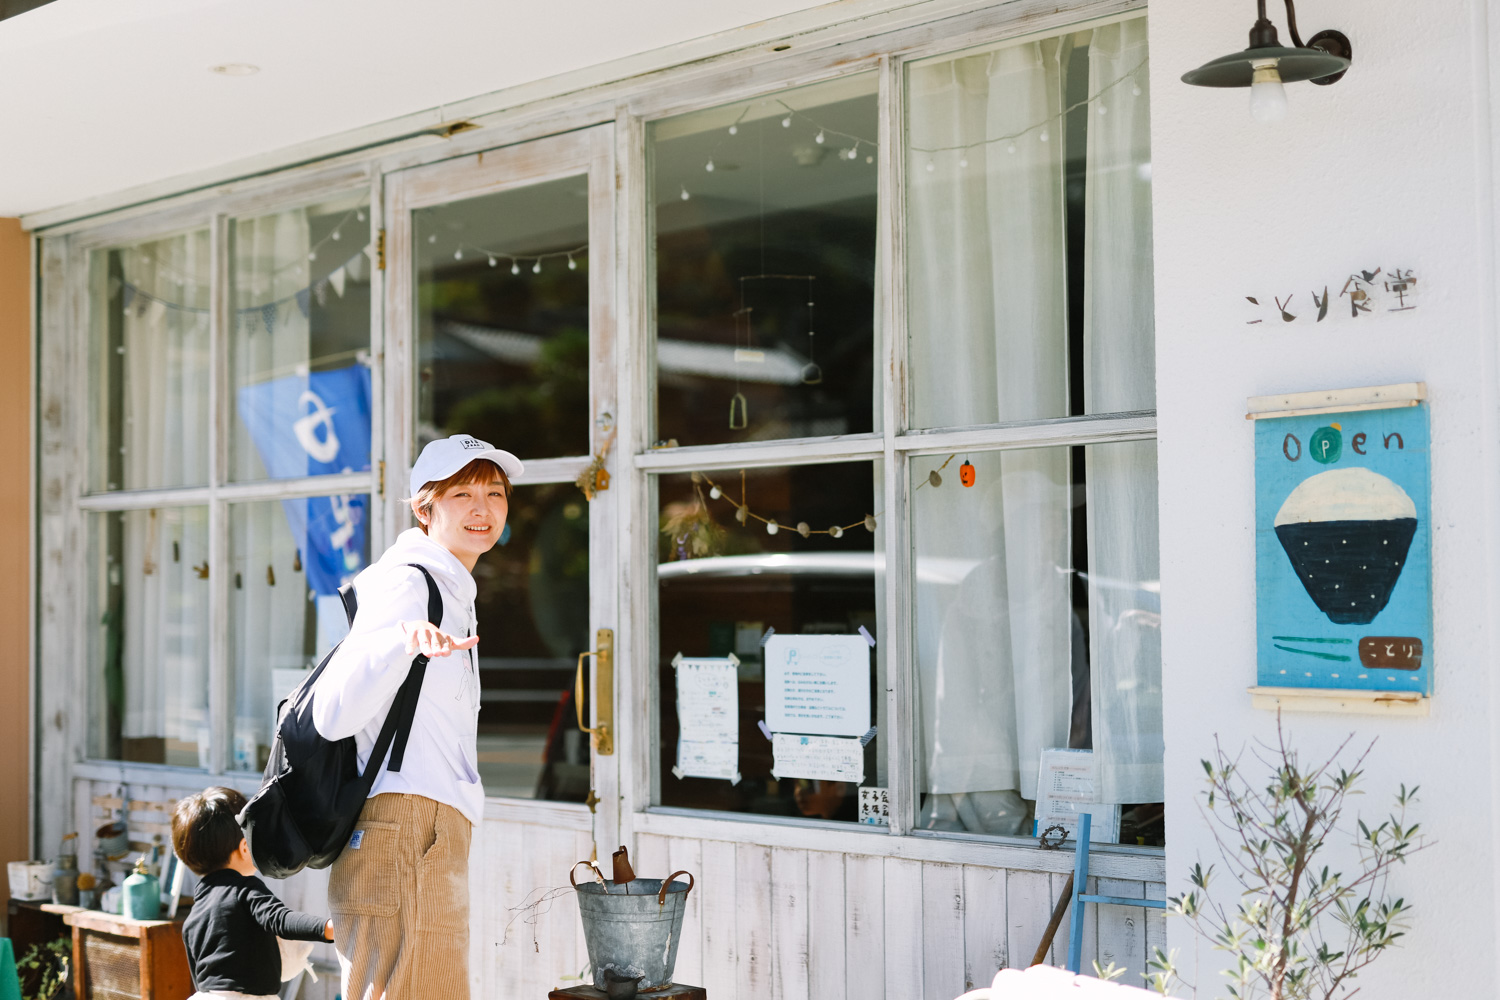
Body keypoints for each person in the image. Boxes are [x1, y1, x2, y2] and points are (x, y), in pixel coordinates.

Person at [312, 433, 522, 1000]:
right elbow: (332, 714)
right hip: (405, 828)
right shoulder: (410, 581)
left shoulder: (452, 586)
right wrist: (401, 643)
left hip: (427, 826)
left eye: (495, 492)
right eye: (462, 493)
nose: (483, 508)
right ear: (424, 507)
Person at [172, 786, 334, 1000]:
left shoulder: (193, 918)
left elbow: (201, 982)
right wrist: (328, 928)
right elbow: (279, 919)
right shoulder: (245, 890)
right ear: (245, 848)